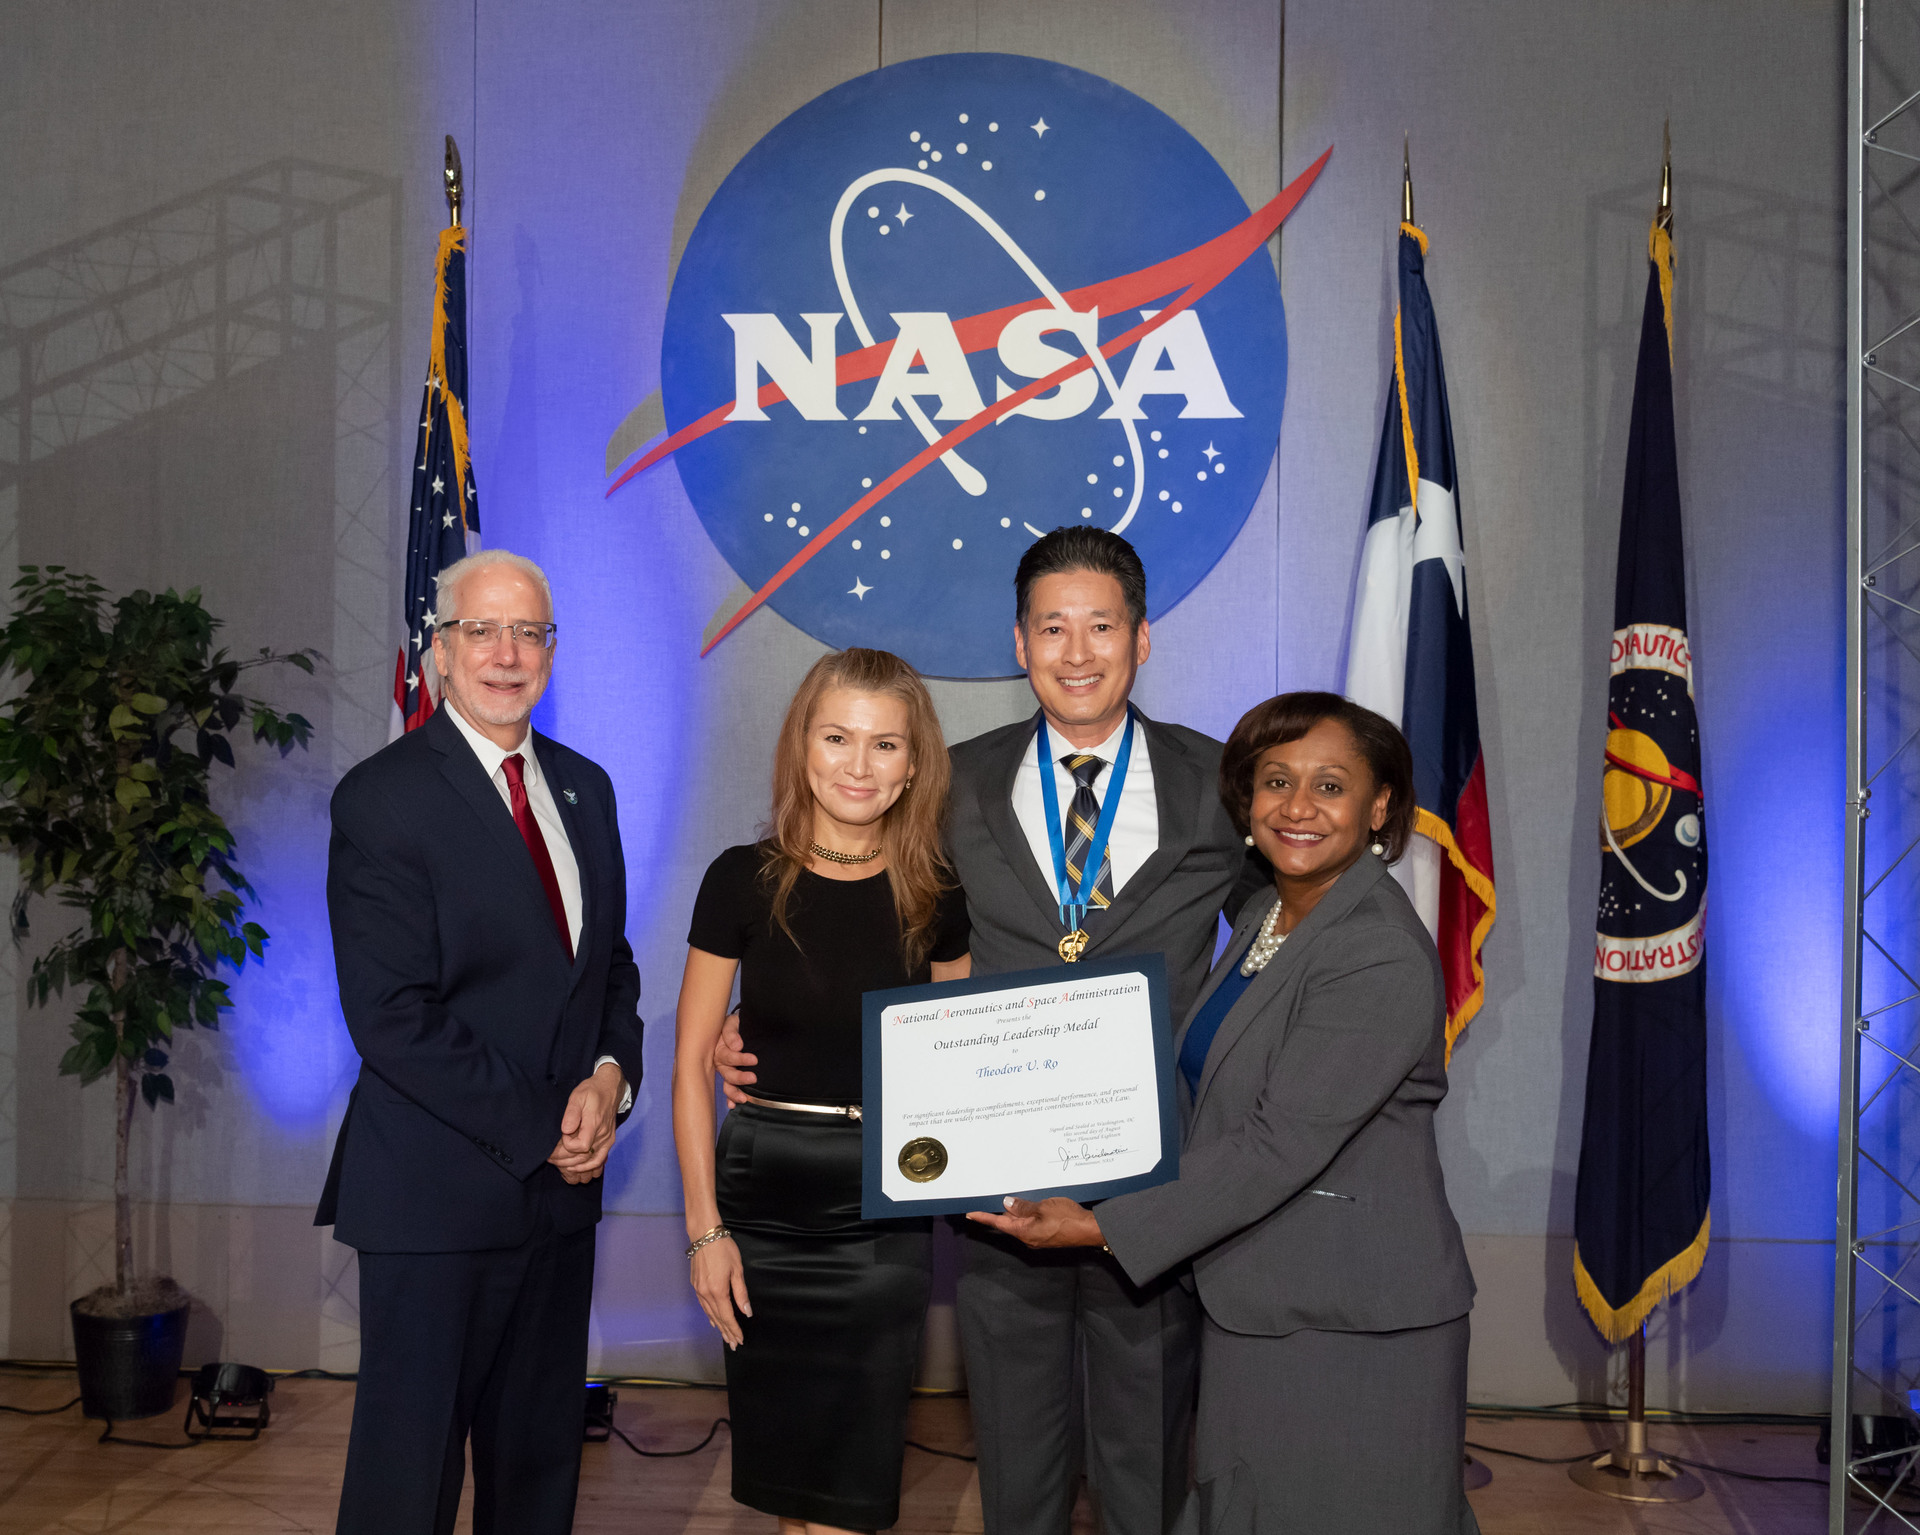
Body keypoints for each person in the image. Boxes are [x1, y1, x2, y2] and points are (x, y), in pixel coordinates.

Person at [721, 528, 1260, 1535]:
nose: (1076, 649)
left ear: (1142, 639)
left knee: (1147, 1464)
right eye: (1052, 625)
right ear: (1020, 643)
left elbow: (1278, 947)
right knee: (1017, 1460)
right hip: (997, 1175)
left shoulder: (1218, 780)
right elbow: (850, 914)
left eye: (1100, 625)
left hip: (1156, 1182)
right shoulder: (946, 784)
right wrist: (755, 1027)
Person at [971, 691, 1479, 1535]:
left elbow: (1277, 1143)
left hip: (1352, 1323)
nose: (1298, 807)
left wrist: (1100, 1226)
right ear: (1244, 798)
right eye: (1276, 781)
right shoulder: (1266, 914)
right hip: (1265, 1302)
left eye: (1330, 784)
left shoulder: (1375, 949)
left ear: (1380, 803)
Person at [318, 549, 645, 1535]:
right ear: (440, 654)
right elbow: (392, 1016)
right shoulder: (382, 797)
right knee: (406, 1479)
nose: (509, 653)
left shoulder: (586, 787)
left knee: (539, 1466)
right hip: (434, 1198)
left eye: (530, 632)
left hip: (561, 1197)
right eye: (483, 631)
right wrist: (548, 1120)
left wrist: (609, 1072)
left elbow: (610, 969)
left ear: (552, 649)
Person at [675, 648, 972, 1534]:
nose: (858, 763)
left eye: (885, 744)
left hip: (883, 1206)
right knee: (789, 1488)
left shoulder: (938, 892)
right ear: (801, 743)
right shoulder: (741, 878)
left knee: (849, 1489)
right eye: (837, 735)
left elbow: (960, 1058)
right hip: (759, 1200)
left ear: (915, 763)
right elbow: (695, 1063)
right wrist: (704, 1233)